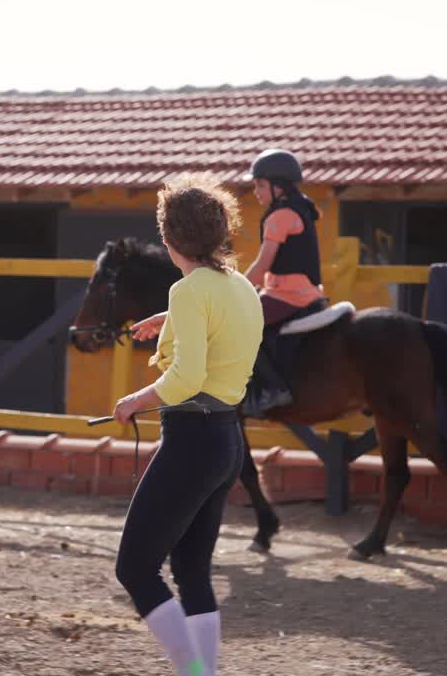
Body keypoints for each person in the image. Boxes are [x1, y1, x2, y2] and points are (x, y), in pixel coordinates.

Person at [111, 174, 262, 676]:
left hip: (190, 442)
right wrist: (170, 317)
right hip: (226, 442)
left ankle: (193, 674)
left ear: (168, 237)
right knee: (192, 571)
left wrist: (134, 399)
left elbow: (186, 378)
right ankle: (206, 674)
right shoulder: (239, 286)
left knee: (135, 568)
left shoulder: (188, 291)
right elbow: (216, 321)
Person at [239, 148, 326, 417]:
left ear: (279, 187)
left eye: (261, 185)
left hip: (289, 295)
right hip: (303, 291)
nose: (257, 192)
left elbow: (263, 263)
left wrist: (235, 289)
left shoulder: (279, 216)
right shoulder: (301, 207)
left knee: (241, 325)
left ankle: (273, 389)